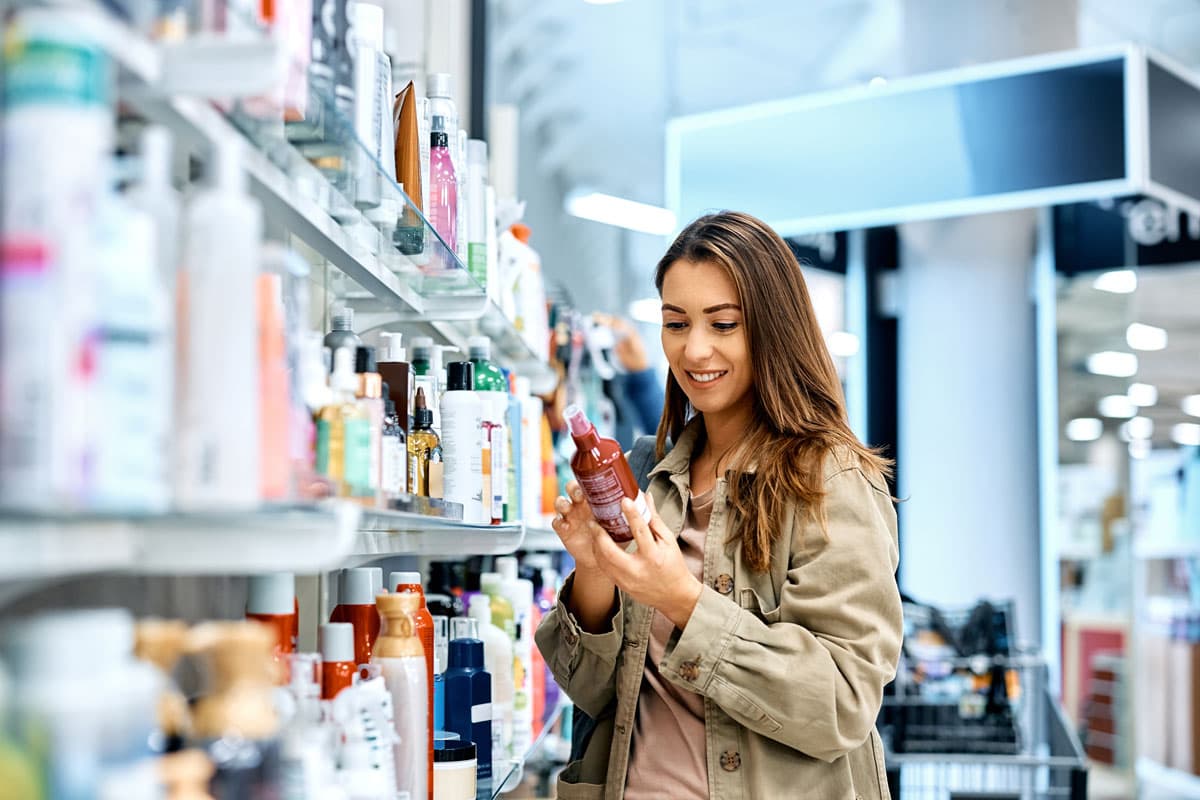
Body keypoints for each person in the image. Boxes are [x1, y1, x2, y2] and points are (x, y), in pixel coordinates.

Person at [535, 211, 902, 799]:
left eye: (723, 323)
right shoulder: (645, 476)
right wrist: (595, 571)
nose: (694, 349)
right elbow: (598, 697)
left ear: (772, 327)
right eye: (675, 323)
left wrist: (679, 599)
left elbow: (842, 704)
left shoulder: (830, 479)